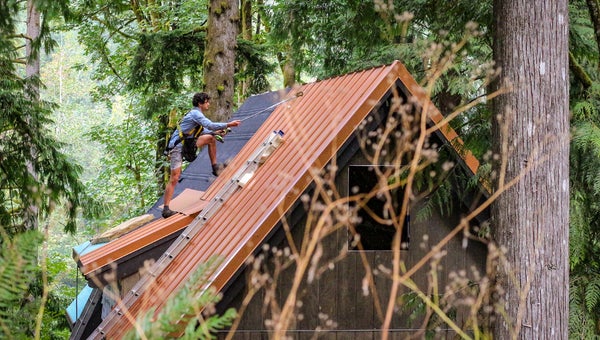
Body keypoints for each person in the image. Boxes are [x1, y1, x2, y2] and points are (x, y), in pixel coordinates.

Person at [162, 92, 241, 218]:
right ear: (200, 103)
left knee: (210, 138)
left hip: (187, 144)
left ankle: (215, 167)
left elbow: (203, 130)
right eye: (207, 102)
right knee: (175, 177)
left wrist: (216, 132)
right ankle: (166, 209)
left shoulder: (195, 115)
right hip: (177, 147)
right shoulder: (195, 114)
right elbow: (209, 125)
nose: (208, 104)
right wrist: (229, 124)